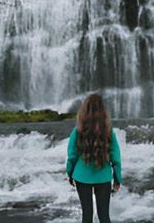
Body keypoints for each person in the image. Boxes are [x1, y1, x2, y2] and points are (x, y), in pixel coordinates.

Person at [65, 93, 122, 223]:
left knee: (87, 215)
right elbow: (116, 158)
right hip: (103, 177)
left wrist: (70, 173)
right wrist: (117, 178)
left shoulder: (77, 130)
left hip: (81, 177)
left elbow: (71, 155)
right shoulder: (108, 131)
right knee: (104, 216)